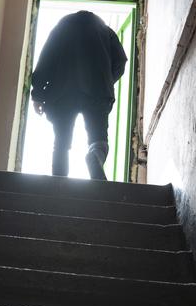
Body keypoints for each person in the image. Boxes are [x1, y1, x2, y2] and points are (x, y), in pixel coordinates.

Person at [30, 10, 128, 180]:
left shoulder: (61, 28)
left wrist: (38, 94)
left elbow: (45, 59)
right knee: (98, 138)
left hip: (62, 93)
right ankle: (94, 156)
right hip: (97, 92)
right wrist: (105, 81)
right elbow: (120, 61)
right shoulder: (105, 31)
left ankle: (59, 186)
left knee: (61, 143)